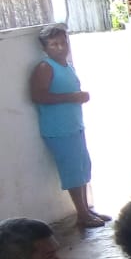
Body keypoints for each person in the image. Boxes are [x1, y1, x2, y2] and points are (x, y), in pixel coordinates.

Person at [29, 25, 109, 228]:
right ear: (45, 48)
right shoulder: (45, 67)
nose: (61, 47)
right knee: (73, 171)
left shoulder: (66, 66)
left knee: (82, 167)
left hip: (74, 125)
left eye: (63, 42)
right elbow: (39, 96)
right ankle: (81, 214)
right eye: (54, 44)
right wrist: (72, 97)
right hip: (58, 129)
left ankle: (86, 209)